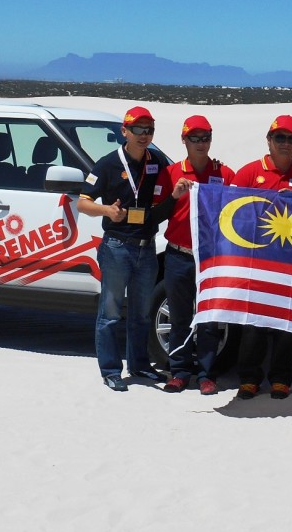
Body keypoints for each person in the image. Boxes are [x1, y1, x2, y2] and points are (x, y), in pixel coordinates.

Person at [77, 106, 180, 392]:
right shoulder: (108, 164)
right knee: (110, 312)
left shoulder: (157, 161)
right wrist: (106, 210)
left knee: (141, 314)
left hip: (146, 249)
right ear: (124, 131)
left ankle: (140, 366)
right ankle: (111, 370)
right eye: (138, 129)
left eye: (149, 130)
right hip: (116, 248)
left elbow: (176, 182)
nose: (144, 135)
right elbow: (82, 203)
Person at [231, 114, 292, 400]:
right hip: (256, 261)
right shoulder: (247, 173)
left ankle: (281, 378)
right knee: (254, 322)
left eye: (291, 139)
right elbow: (230, 213)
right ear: (269, 140)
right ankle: (249, 378)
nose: (285, 144)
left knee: (285, 321)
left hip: (290, 262)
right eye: (280, 138)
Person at [157, 115, 235, 396]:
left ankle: (206, 374)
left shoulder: (225, 174)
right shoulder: (171, 173)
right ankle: (178, 372)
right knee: (179, 317)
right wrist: (174, 196)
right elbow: (158, 214)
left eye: (205, 138)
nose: (201, 143)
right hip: (178, 255)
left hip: (210, 258)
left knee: (209, 319)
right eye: (194, 138)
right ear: (184, 140)